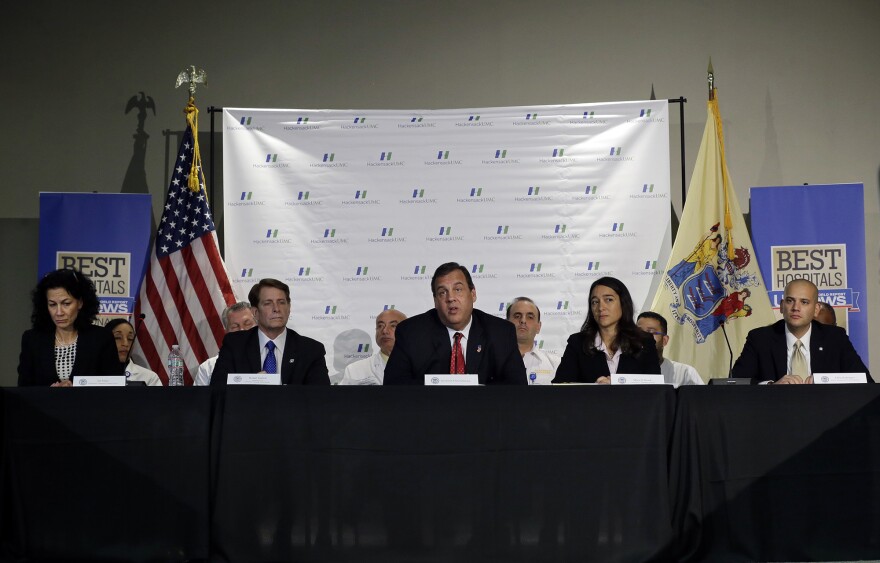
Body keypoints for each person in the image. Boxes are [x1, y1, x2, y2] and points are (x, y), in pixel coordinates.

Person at [384, 262, 526, 385]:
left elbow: (516, 388)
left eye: (458, 290)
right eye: (442, 293)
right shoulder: (411, 333)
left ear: (473, 294)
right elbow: (394, 388)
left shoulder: (501, 332)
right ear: (435, 301)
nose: (451, 298)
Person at [732, 278, 870, 384]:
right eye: (790, 301)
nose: (795, 308)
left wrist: (825, 380)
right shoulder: (760, 338)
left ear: (816, 309)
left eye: (804, 302)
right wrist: (771, 386)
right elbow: (736, 381)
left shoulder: (835, 338)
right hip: (775, 414)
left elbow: (864, 380)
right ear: (781, 306)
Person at [211, 279, 330, 386]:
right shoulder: (235, 344)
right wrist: (248, 387)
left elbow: (320, 399)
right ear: (255, 312)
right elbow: (218, 389)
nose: (276, 309)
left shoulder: (311, 350)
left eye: (281, 302)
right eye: (268, 303)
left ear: (289, 308)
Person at [18, 268, 123, 386]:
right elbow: (24, 389)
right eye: (52, 304)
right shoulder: (32, 339)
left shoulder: (101, 338)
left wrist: (76, 393)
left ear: (80, 303)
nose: (59, 312)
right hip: (44, 405)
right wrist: (47, 393)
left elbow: (114, 388)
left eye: (66, 303)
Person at [553, 276, 660, 384]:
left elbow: (655, 389)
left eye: (608, 300)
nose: (600, 307)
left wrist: (617, 385)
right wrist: (594, 389)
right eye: (595, 302)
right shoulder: (577, 342)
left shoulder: (644, 341)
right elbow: (560, 387)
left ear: (623, 304)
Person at [194, 301, 257, 386]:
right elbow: (201, 399)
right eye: (235, 326)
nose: (242, 330)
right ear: (226, 332)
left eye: (247, 324)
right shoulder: (208, 368)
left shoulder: (271, 359)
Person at [339, 309, 407, 385]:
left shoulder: (420, 367)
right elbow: (342, 396)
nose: (384, 331)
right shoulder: (354, 370)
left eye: (393, 326)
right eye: (380, 326)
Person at [636, 311, 704, 387]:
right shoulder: (622, 368)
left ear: (664, 340)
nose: (643, 336)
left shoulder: (685, 373)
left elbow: (702, 398)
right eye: (639, 331)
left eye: (651, 332)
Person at [506, 297, 560, 385]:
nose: (523, 321)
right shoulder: (491, 362)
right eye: (517, 316)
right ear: (506, 324)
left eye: (530, 317)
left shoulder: (555, 364)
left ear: (538, 327)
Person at [105, 318, 161, 386]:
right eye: (118, 337)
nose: (125, 344)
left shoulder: (149, 378)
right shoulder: (92, 373)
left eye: (130, 338)